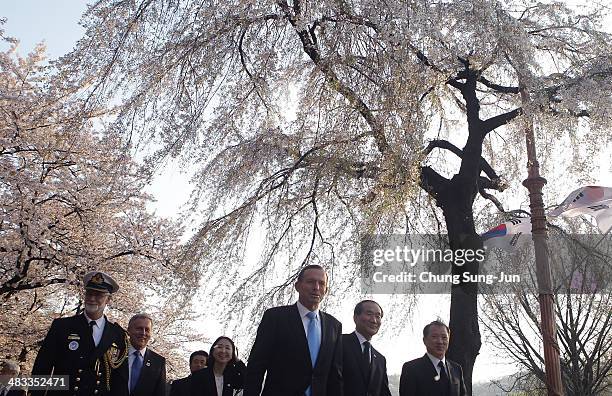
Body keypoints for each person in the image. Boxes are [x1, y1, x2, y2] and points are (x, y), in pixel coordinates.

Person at [244, 264, 343, 396]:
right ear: (297, 286)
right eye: (310, 282)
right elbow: (257, 365)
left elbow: (335, 375)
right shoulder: (275, 317)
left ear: (326, 290)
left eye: (321, 283)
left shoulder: (334, 326)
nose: (316, 287)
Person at [31, 271, 129, 396]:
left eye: (98, 295)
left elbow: (119, 380)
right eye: (89, 293)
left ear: (108, 299)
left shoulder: (118, 334)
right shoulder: (62, 326)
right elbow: (42, 367)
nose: (92, 299)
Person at [399, 320, 467, 396]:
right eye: (434, 337)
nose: (440, 341)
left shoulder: (456, 369)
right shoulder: (411, 369)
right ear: (424, 340)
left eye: (444, 337)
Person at [342, 300, 392, 396]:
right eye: (369, 314)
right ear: (355, 318)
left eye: (378, 316)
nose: (374, 320)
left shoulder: (380, 360)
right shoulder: (338, 343)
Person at [124, 313, 167, 396]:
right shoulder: (115, 354)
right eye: (139, 328)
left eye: (147, 330)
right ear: (128, 330)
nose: (143, 333)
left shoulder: (158, 362)